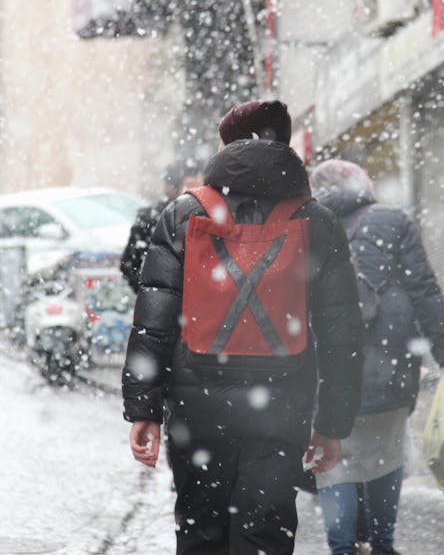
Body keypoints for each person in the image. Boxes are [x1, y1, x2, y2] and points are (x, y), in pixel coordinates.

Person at [122, 99, 363, 555]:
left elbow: (154, 323)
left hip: (198, 407)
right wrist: (332, 421)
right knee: (265, 534)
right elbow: (341, 333)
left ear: (226, 145)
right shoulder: (317, 220)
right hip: (282, 405)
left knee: (200, 532)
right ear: (284, 144)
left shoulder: (182, 214)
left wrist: (144, 408)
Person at [309, 158, 444, 555]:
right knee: (386, 454)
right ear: (363, 185)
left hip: (324, 368)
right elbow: (424, 291)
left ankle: (342, 547)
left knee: (333, 463)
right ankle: (381, 544)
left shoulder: (305, 225)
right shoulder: (393, 223)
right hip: (391, 365)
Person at [120, 160, 199, 294]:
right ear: (171, 187)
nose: (195, 191)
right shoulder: (151, 218)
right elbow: (129, 264)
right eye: (189, 185)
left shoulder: (201, 217)